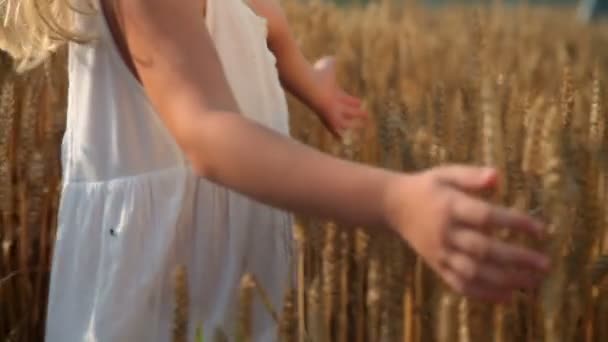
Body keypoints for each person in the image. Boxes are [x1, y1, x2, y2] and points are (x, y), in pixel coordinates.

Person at [1, 0, 550, 341]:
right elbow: (207, 134)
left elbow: (267, 25)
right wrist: (394, 200)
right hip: (166, 277)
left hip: (217, 258)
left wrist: (314, 87)